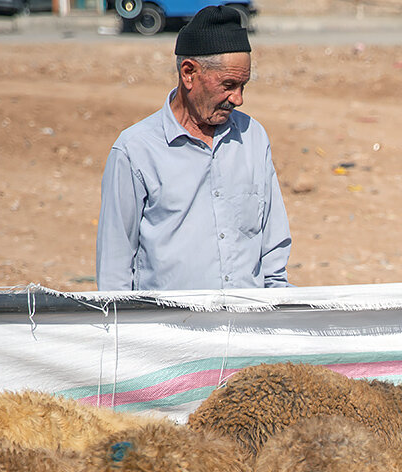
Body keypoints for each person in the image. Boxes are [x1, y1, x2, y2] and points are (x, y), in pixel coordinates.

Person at [96, 5, 292, 290]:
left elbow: (274, 261)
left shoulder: (253, 138)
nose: (238, 99)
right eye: (228, 84)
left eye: (243, 86)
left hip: (246, 328)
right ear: (189, 73)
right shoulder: (135, 151)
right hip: (168, 331)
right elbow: (115, 272)